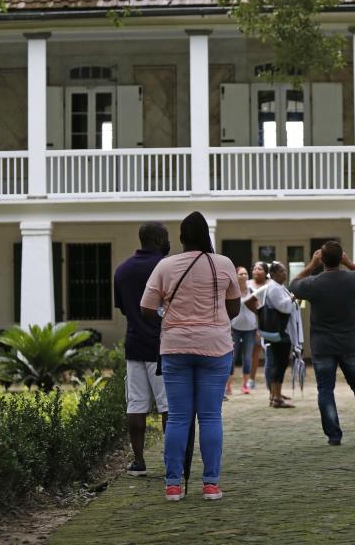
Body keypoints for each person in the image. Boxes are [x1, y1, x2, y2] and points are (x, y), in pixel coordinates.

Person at [141, 211, 241, 502]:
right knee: (210, 416)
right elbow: (233, 309)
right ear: (207, 235)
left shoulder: (165, 265)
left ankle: (173, 485)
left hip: (175, 346)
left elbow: (147, 308)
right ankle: (210, 484)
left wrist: (168, 316)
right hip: (216, 347)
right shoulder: (223, 263)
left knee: (178, 417)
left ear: (181, 238)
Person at [289, 241, 355, 446]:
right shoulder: (353, 279)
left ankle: (334, 435)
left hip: (323, 344)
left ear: (322, 259)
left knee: (325, 389)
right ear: (341, 258)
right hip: (350, 342)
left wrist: (312, 265)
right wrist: (350, 263)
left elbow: (294, 284)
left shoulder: (314, 282)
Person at [115, 222, 171, 476]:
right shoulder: (166, 267)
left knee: (135, 405)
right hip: (163, 346)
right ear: (160, 239)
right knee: (168, 407)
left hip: (135, 343)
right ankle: (172, 459)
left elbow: (125, 309)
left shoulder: (123, 270)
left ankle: (138, 462)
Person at [252, 261, 297, 408]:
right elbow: (283, 307)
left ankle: (274, 396)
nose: (285, 273)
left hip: (279, 331)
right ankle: (277, 397)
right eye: (282, 271)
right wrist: (292, 298)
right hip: (279, 332)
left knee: (278, 364)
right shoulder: (274, 287)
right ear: (275, 274)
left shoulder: (278, 287)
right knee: (280, 364)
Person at [229, 266, 258, 396]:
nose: (244, 276)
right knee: (232, 357)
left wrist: (258, 328)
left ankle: (245, 385)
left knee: (247, 357)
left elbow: (258, 310)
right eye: (241, 274)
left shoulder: (252, 290)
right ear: (236, 276)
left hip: (250, 329)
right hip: (235, 328)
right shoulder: (232, 291)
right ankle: (228, 385)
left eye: (245, 274)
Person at [247, 261, 270, 390]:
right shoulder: (247, 284)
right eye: (254, 269)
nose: (256, 271)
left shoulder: (270, 285)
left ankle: (270, 379)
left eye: (260, 269)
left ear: (266, 272)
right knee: (254, 352)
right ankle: (251, 379)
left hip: (267, 321)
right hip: (251, 322)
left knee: (269, 352)